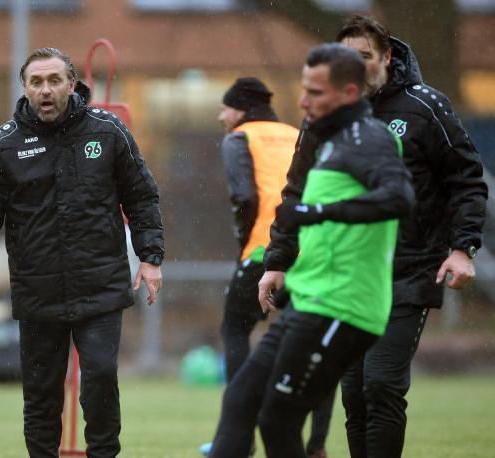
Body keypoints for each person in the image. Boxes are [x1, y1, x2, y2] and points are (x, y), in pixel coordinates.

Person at [260, 15, 488, 457]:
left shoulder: (426, 106)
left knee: (381, 384)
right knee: (354, 393)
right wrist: (277, 261)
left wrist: (462, 248)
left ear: (385, 58)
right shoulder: (321, 114)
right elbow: (297, 192)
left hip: (408, 271)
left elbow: (466, 180)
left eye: (364, 57)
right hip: (346, 277)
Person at [0, 47, 164, 458]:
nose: (45, 90)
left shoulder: (108, 132)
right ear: (25, 88)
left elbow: (142, 197)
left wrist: (150, 258)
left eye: (53, 81)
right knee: (41, 395)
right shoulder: (4, 146)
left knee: (100, 378)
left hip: (100, 286)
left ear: (72, 84)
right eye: (36, 82)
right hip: (38, 292)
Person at [209, 43, 416, 458]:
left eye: (316, 93)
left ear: (349, 94)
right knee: (242, 399)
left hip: (343, 305)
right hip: (309, 298)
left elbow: (399, 197)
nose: (303, 101)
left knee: (278, 416)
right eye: (304, 90)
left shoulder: (367, 138)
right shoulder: (328, 139)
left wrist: (321, 210)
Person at [203, 78, 332, 458]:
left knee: (235, 328)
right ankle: (317, 444)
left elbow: (243, 195)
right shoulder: (298, 131)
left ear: (240, 110)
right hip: (309, 253)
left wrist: (247, 245)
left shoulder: (239, 137)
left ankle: (238, 437)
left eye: (225, 108)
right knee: (319, 348)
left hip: (266, 251)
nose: (221, 116)